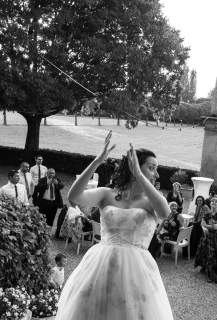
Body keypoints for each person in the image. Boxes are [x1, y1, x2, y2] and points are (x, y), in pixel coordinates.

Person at [56, 131, 173, 320]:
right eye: (152, 168)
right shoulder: (107, 194)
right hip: (101, 264)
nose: (157, 174)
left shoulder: (151, 201)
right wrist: (97, 161)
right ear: (134, 167)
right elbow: (74, 197)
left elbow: (165, 213)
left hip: (137, 270)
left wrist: (141, 177)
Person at [194, 198, 217, 283]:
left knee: (213, 255)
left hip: (216, 238)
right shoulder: (207, 213)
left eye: (216, 201)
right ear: (210, 204)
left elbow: (216, 226)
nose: (214, 202)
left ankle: (211, 274)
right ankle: (206, 269)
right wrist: (204, 227)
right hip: (206, 236)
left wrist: (206, 226)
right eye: (212, 201)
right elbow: (202, 222)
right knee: (205, 253)